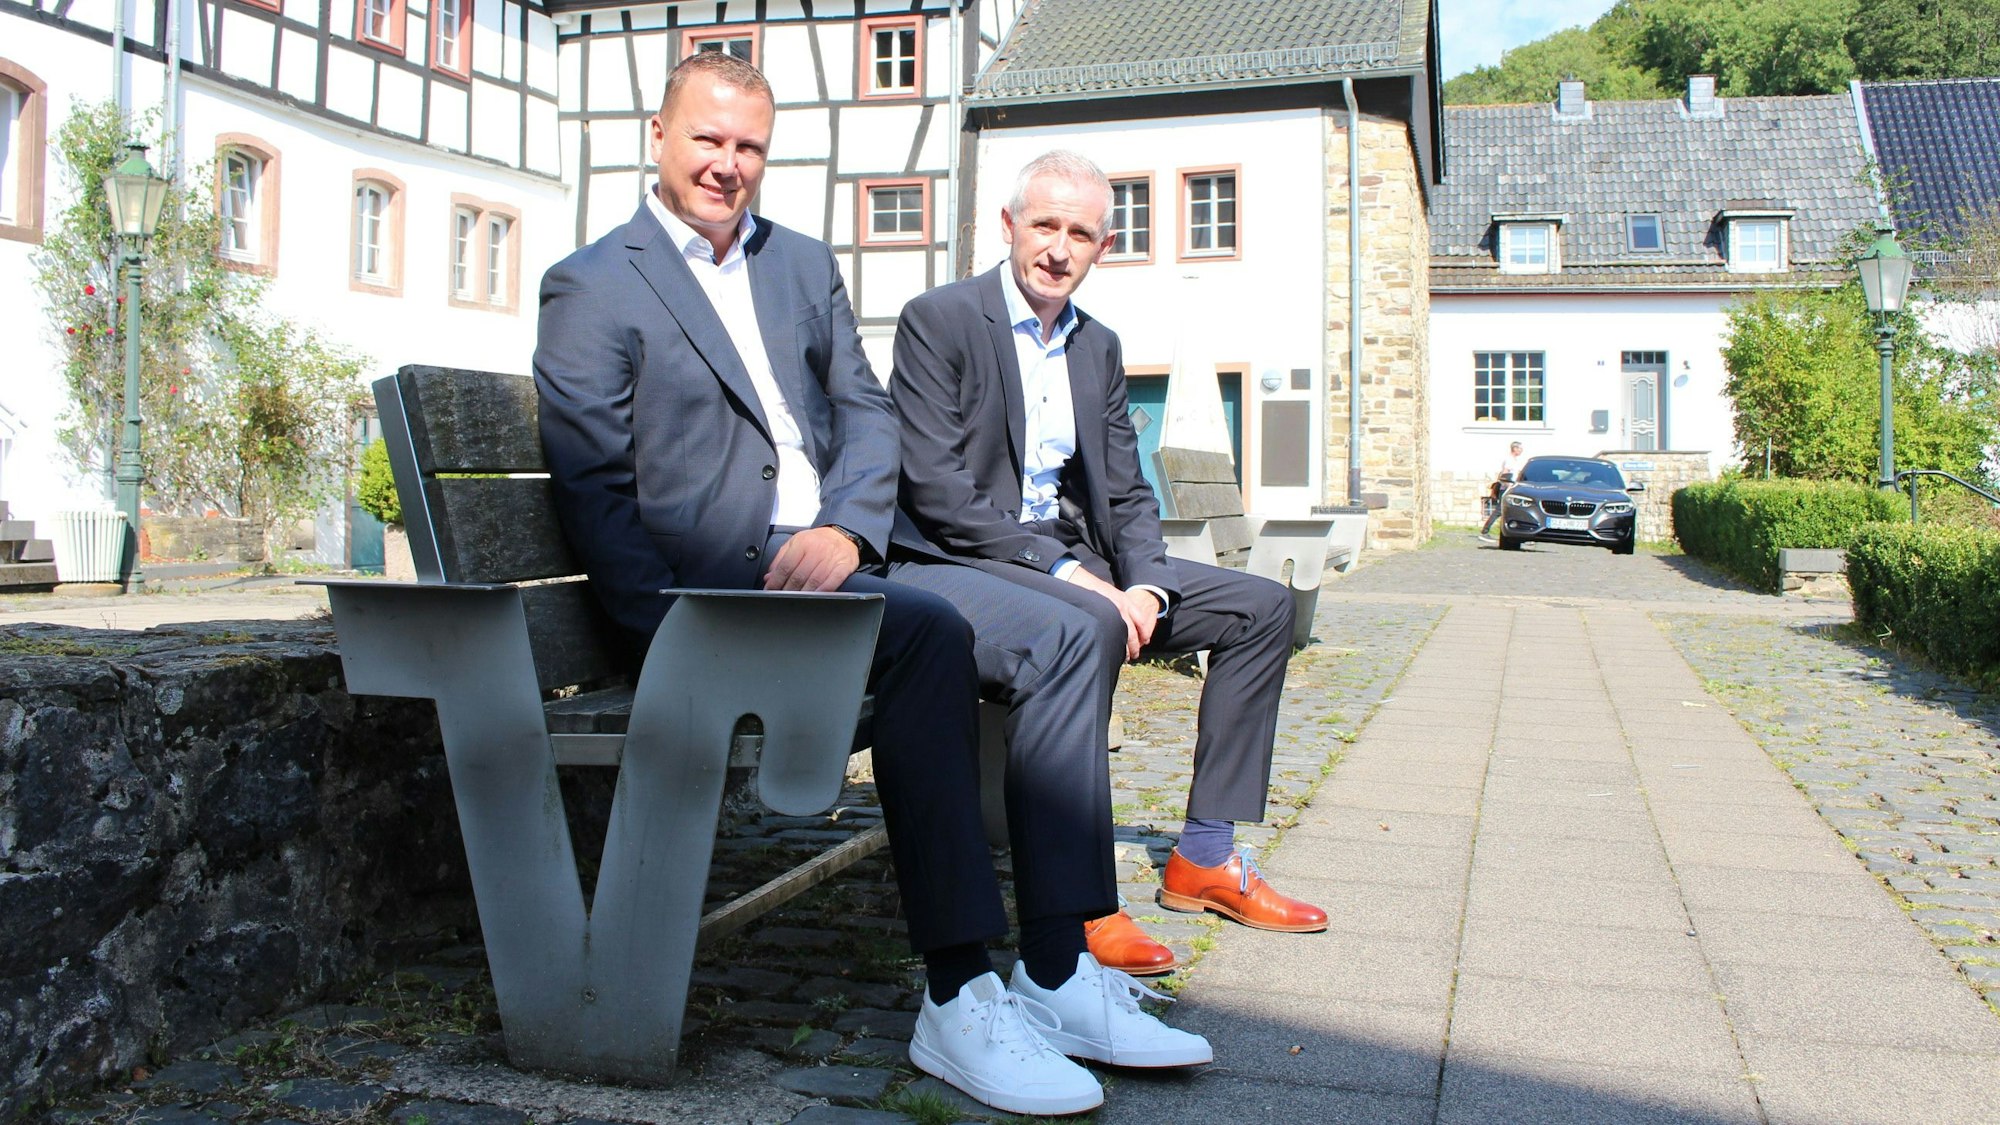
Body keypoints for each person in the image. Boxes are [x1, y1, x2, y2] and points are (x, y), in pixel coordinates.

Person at [532, 58, 1204, 1118]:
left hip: (848, 566)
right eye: (707, 140)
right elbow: (594, 486)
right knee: (928, 637)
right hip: (715, 602)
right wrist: (674, 631)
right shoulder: (594, 280)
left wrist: (846, 523)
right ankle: (954, 989)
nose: (727, 165)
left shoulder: (797, 264)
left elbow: (866, 412)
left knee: (1075, 630)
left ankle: (1058, 967)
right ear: (655, 133)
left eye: (747, 146)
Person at [889, 150, 1329, 982]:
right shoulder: (939, 320)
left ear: (1104, 244)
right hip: (962, 559)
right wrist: (1076, 579)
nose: (1059, 248)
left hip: (1072, 559)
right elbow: (938, 492)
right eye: (1045, 225)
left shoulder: (1098, 347)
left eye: (1080, 233)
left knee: (1261, 607)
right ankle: (1085, 901)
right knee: (1087, 621)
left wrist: (1148, 583)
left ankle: (1204, 857)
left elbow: (1126, 492)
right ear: (1009, 225)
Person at [1479, 440, 1529, 539]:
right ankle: (1485, 531)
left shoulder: (1515, 460)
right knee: (1499, 510)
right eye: (1520, 448)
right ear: (1515, 449)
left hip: (1512, 488)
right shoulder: (1509, 460)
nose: (1521, 451)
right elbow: (1505, 473)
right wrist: (1507, 486)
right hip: (1506, 488)